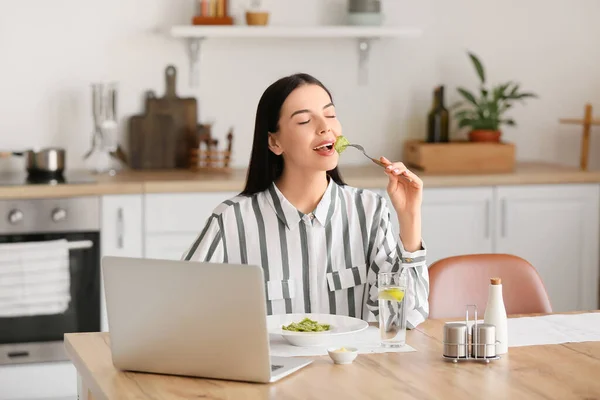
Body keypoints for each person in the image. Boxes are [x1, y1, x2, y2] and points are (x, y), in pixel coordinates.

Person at [182, 73, 429, 328]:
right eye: (304, 120)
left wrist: (410, 219)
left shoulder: (368, 211)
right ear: (274, 142)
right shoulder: (232, 220)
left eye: (330, 115)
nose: (325, 127)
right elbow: (180, 310)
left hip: (347, 367)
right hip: (271, 368)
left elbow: (404, 317)